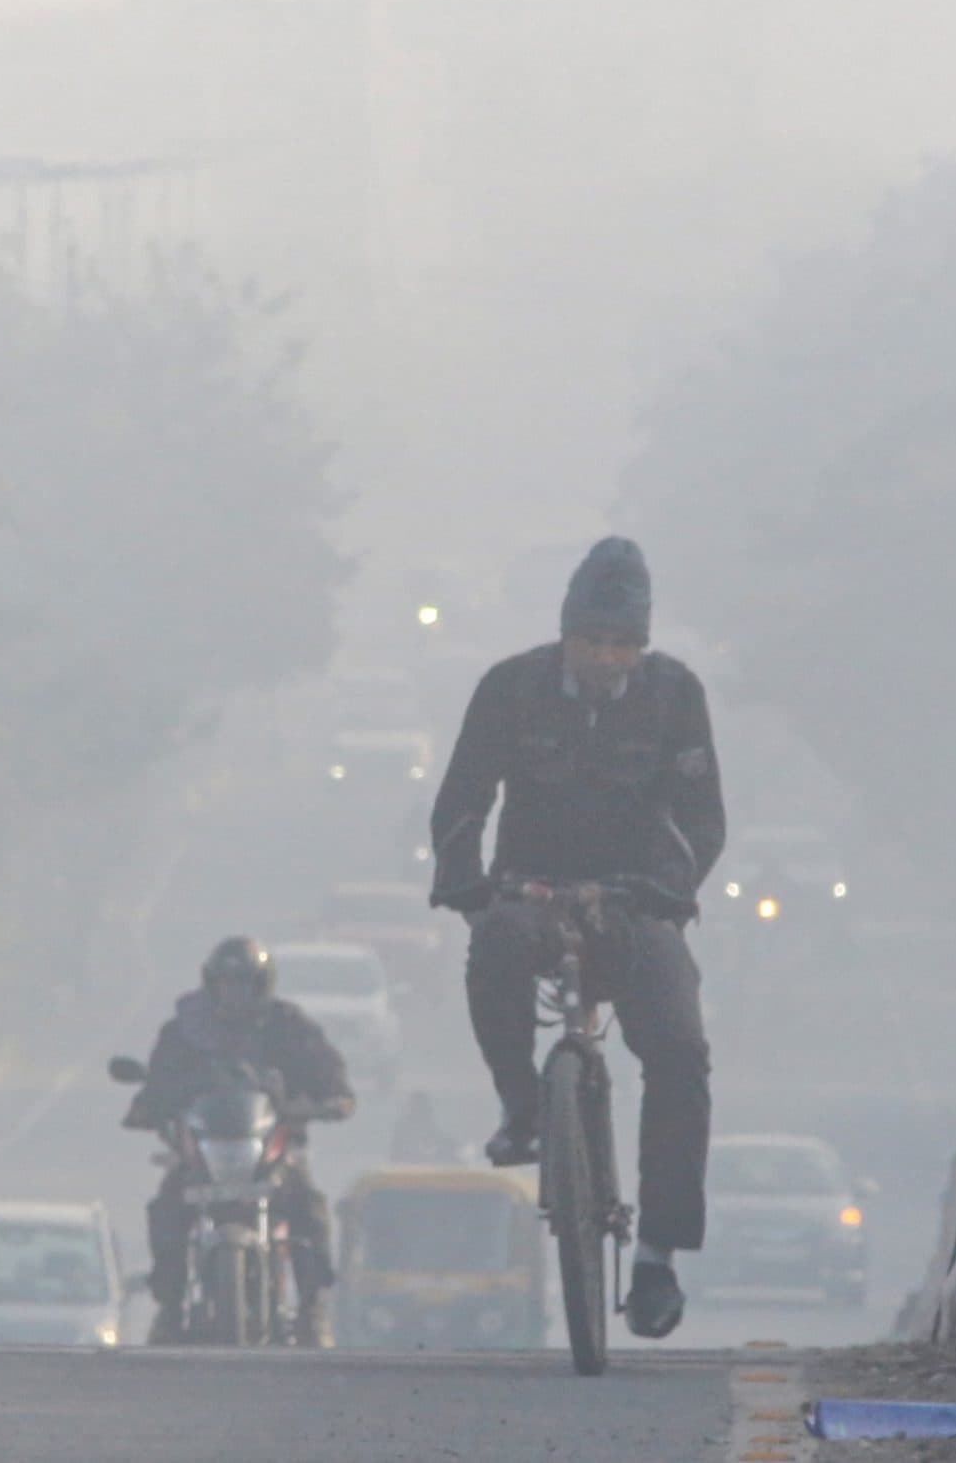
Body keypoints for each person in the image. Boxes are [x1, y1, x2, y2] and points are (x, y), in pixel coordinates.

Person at [427, 536, 726, 1340]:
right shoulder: (509, 688)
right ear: (565, 634)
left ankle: (658, 1255)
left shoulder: (675, 695)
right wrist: (467, 884)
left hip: (636, 902)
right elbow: (462, 800)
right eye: (592, 639)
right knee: (492, 951)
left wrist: (670, 888)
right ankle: (522, 1107)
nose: (605, 657)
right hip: (529, 888)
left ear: (642, 645)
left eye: (623, 643)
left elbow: (702, 819)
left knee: (680, 1052)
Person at [122, 936, 356, 1347]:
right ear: (212, 985)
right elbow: (159, 1081)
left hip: (271, 1150)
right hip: (202, 1153)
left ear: (262, 986)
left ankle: (311, 1307)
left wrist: (331, 1100)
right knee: (166, 1211)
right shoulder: (186, 1029)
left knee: (308, 1207)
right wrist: (146, 1107)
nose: (236, 994)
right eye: (228, 984)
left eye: (245, 984)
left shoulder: (288, 1026)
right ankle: (169, 1308)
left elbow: (327, 1073)